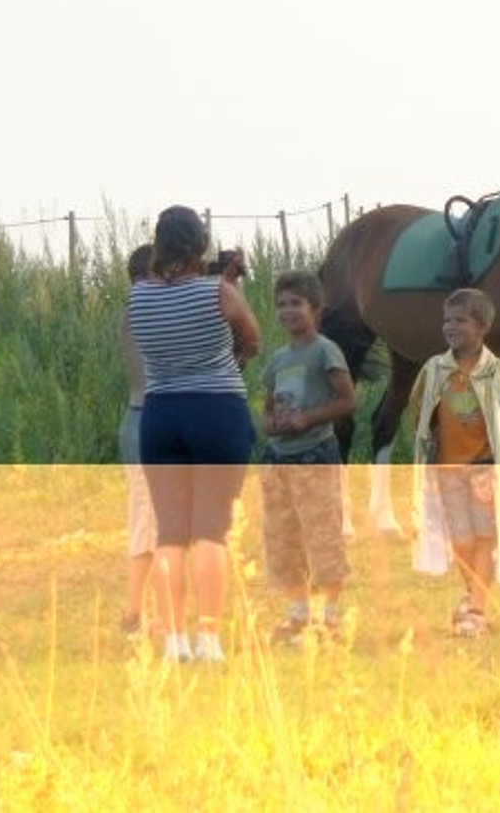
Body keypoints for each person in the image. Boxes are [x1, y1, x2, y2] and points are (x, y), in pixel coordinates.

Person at [130, 206, 261, 663]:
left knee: (170, 533)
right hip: (217, 409)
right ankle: (209, 639)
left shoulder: (139, 297)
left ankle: (173, 640)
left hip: (161, 410)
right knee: (211, 529)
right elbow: (253, 339)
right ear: (200, 244)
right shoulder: (219, 292)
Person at [409, 288, 500, 636]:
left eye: (460, 320)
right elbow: (418, 409)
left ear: (482, 327)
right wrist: (426, 444)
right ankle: (471, 592)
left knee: (484, 537)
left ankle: (477, 609)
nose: (450, 327)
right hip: (447, 470)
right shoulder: (435, 369)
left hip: (485, 469)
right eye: (446, 320)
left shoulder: (499, 371)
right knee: (460, 539)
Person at [259, 270, 358, 643]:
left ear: (315, 309)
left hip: (315, 453)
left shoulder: (325, 351)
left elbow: (348, 400)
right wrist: (272, 423)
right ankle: (298, 613)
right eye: (281, 304)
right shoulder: (278, 360)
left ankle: (330, 617)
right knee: (283, 537)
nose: (288, 311)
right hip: (278, 458)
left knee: (322, 534)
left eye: (296, 303)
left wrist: (307, 419)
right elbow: (267, 409)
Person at [117, 244, 159, 640]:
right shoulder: (144, 312)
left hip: (138, 421)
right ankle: (137, 614)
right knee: (151, 524)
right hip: (147, 421)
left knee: (148, 519)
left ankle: (139, 611)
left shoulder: (134, 311)